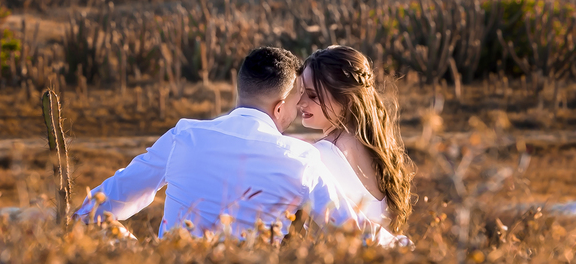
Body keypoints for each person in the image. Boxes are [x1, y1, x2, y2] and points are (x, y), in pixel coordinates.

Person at [73, 47, 401, 245]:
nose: (300, 106)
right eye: (300, 95)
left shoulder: (182, 136)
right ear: (279, 106)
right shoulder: (302, 159)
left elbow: (90, 212)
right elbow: (353, 230)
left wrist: (140, 252)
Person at [297, 45, 415, 234]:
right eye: (301, 91)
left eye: (312, 95)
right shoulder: (379, 150)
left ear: (347, 100)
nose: (300, 101)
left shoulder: (318, 156)